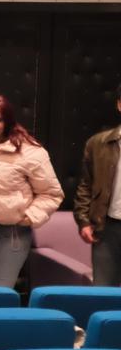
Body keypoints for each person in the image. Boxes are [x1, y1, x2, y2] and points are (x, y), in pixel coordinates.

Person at [0, 94, 63, 289]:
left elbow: (52, 193)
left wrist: (29, 217)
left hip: (13, 232)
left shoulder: (30, 151)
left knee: (0, 290)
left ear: (8, 121)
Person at [76, 80, 121, 286]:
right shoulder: (98, 143)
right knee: (102, 291)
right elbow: (86, 185)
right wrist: (84, 221)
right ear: (119, 104)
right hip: (107, 228)